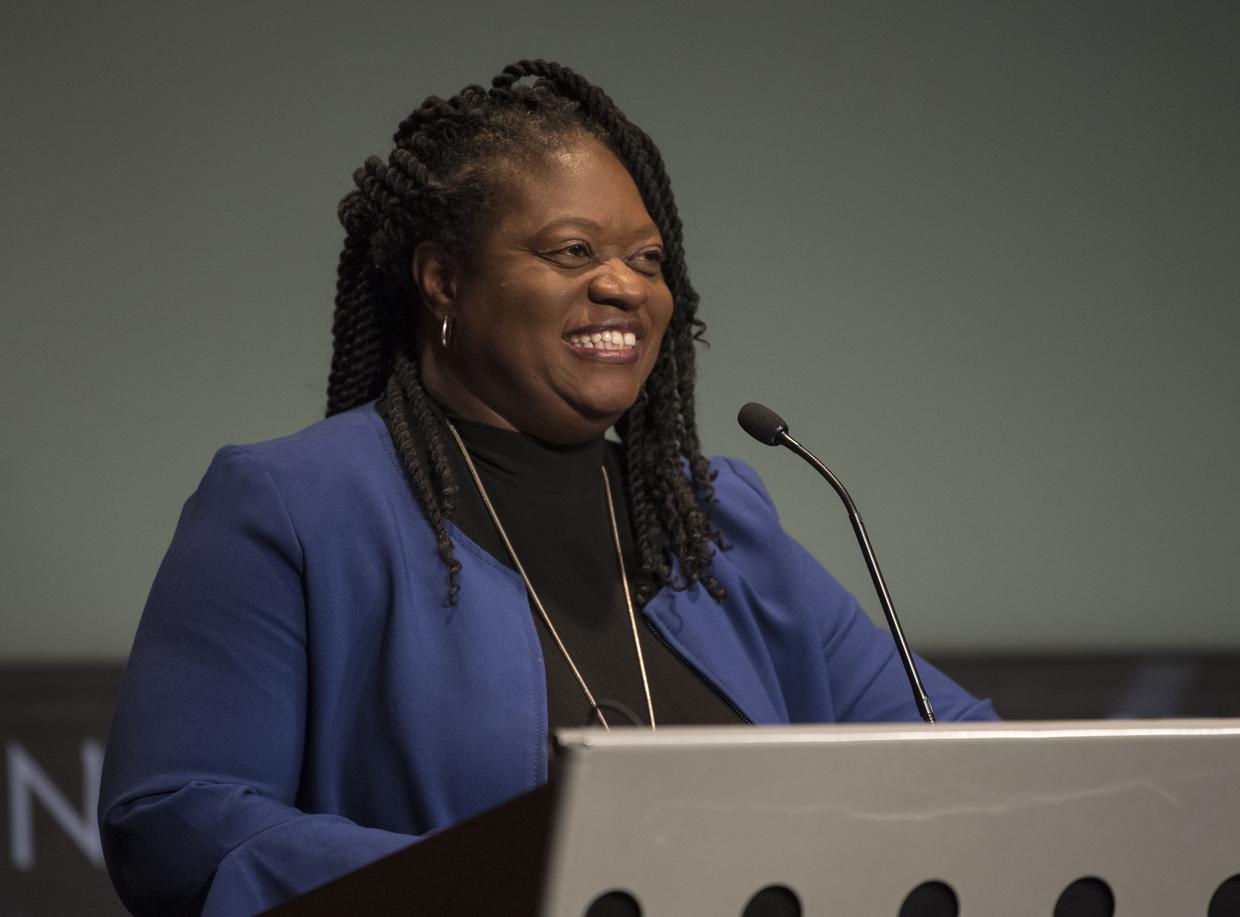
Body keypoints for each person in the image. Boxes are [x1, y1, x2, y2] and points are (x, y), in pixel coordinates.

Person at [98, 60, 997, 917]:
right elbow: (178, 820)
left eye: (648, 260)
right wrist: (516, 881)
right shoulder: (295, 505)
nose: (623, 286)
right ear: (444, 278)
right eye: (573, 251)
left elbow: (955, 746)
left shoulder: (713, 518)